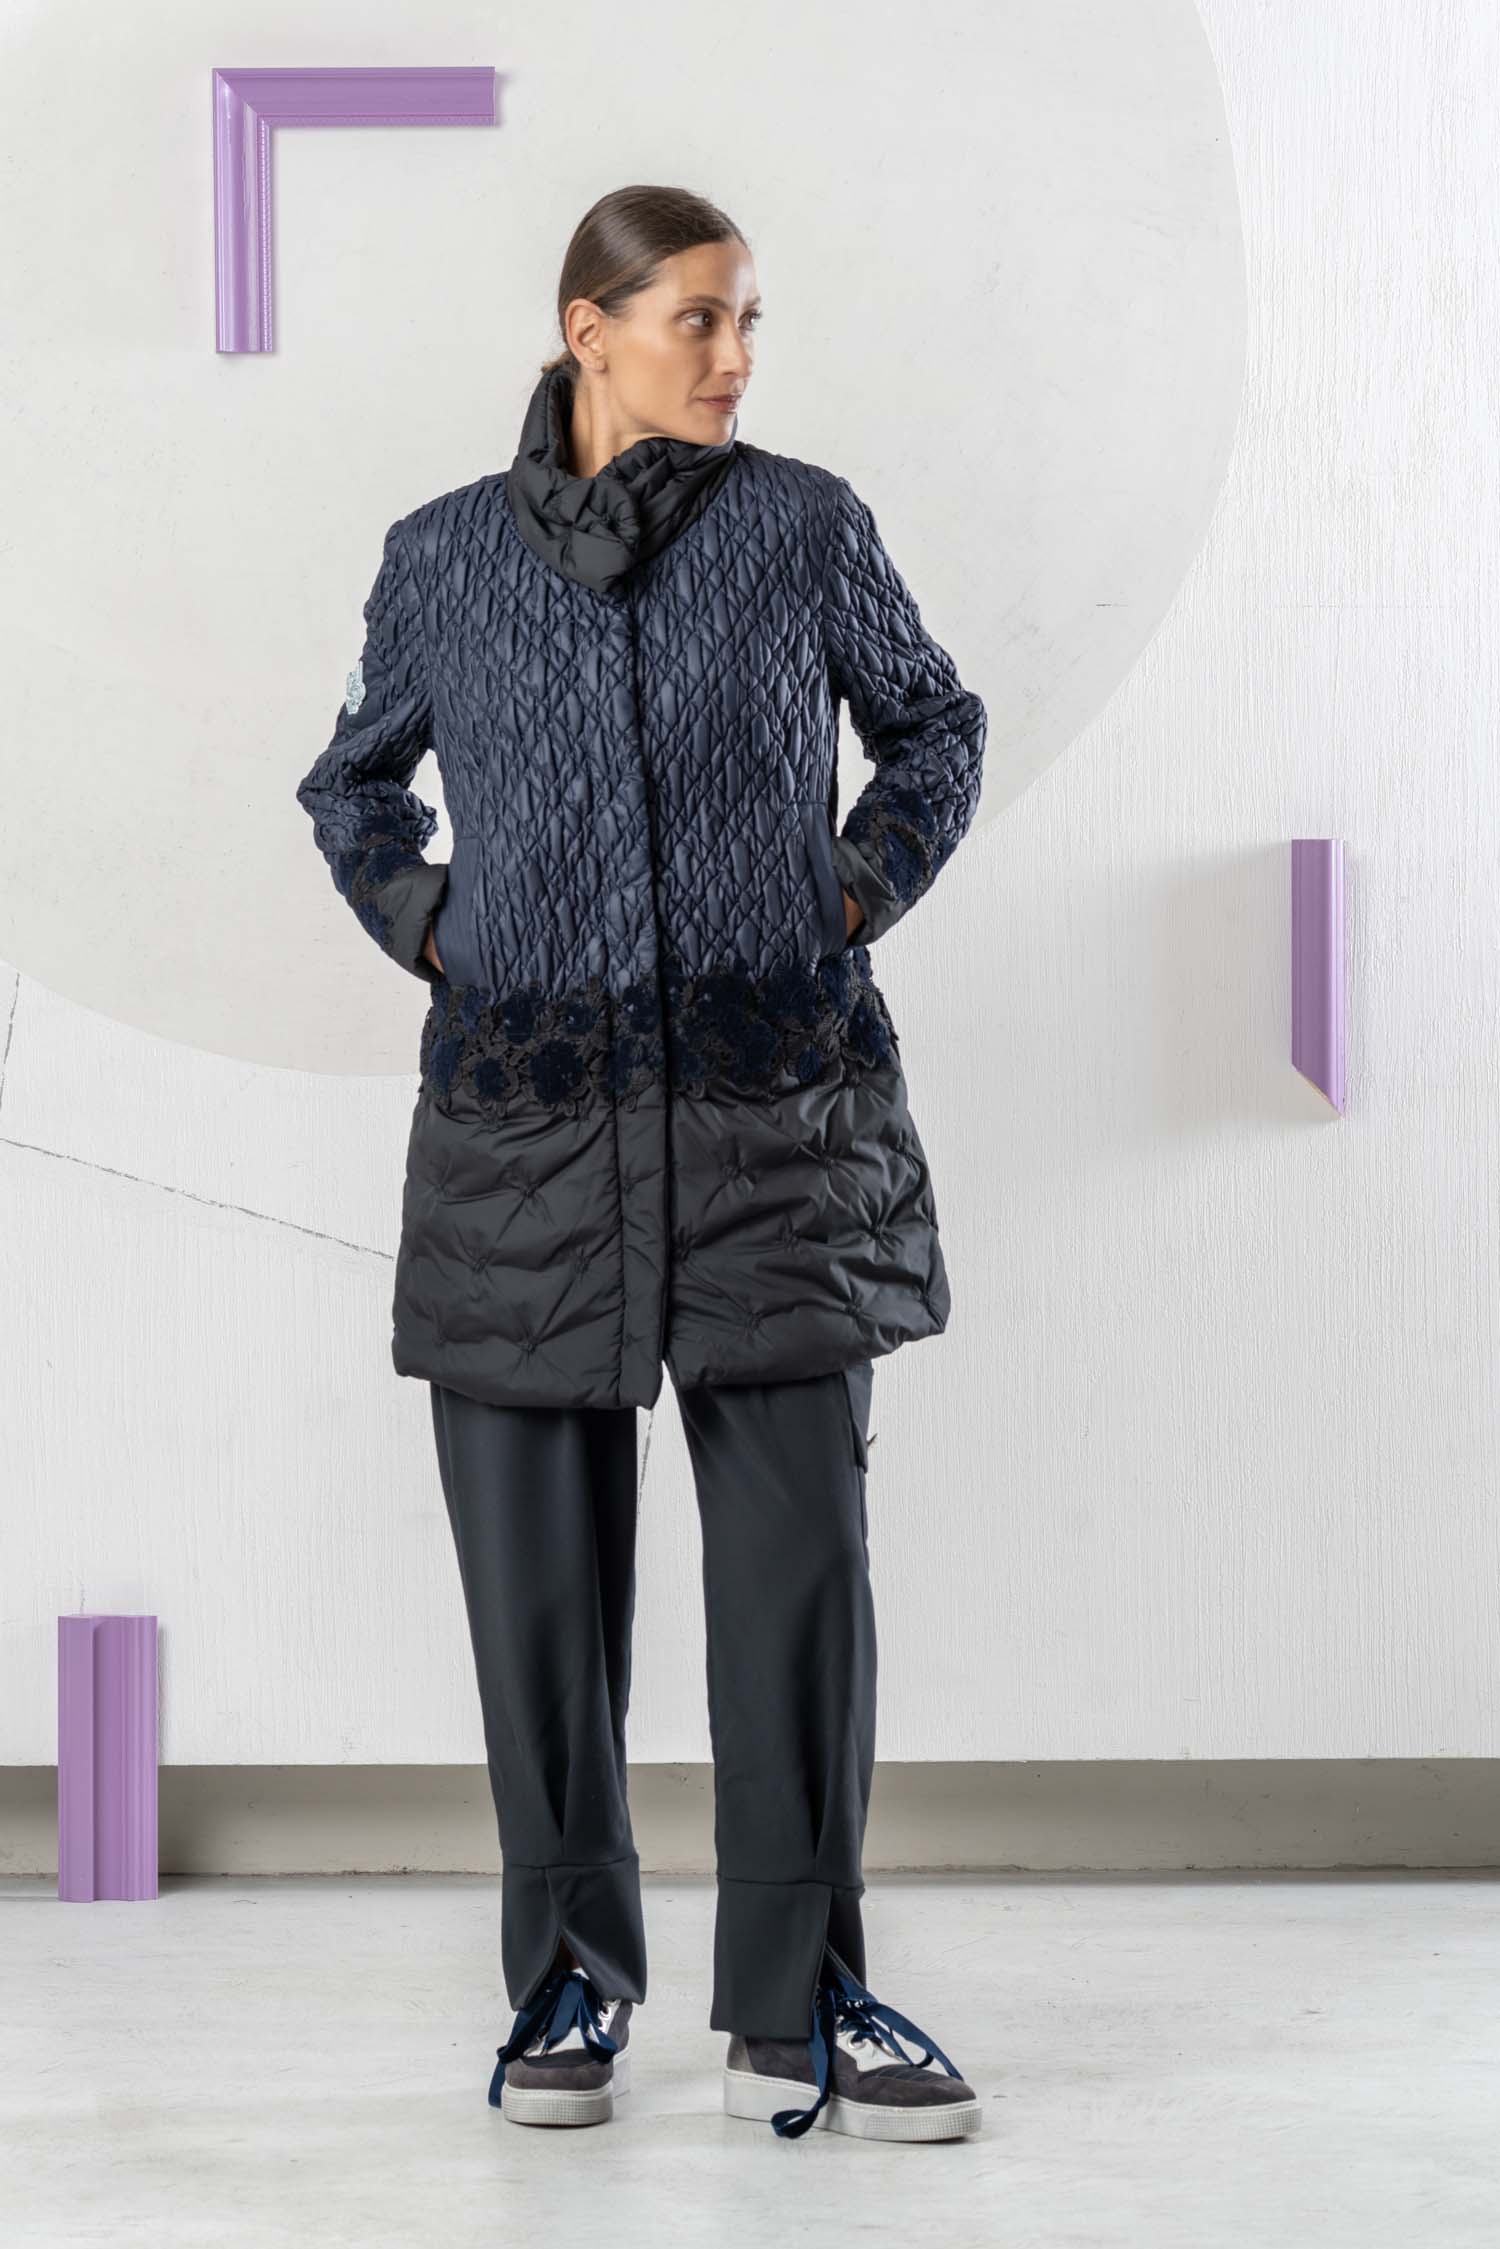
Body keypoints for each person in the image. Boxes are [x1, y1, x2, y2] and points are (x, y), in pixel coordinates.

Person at [295, 183, 987, 2143]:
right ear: (587, 328)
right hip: (524, 1143)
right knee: (539, 1603)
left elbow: (934, 729)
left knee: (799, 1588)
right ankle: (568, 1983)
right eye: (702, 318)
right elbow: (352, 782)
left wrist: (848, 890)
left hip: (777, 1131)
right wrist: (437, 924)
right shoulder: (442, 556)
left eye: (751, 320)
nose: (738, 357)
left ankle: (807, 1997)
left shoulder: (805, 527)